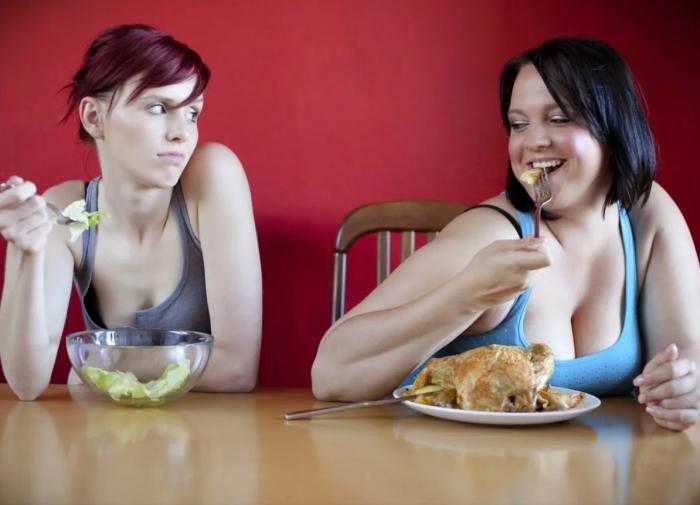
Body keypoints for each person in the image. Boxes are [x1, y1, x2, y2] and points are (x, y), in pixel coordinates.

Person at [311, 38, 700, 431]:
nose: (533, 141)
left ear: (613, 128)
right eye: (518, 124)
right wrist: (470, 293)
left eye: (559, 118)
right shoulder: (491, 234)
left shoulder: (646, 212)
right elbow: (330, 372)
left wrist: (684, 385)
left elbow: (685, 351)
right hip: (442, 460)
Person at [0, 24, 262, 400]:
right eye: (158, 108)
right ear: (94, 117)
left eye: (192, 113)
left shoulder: (213, 174)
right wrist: (24, 252)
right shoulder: (67, 211)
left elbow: (237, 370)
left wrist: (94, 368)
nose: (183, 133)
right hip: (107, 432)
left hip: (212, 430)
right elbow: (27, 384)